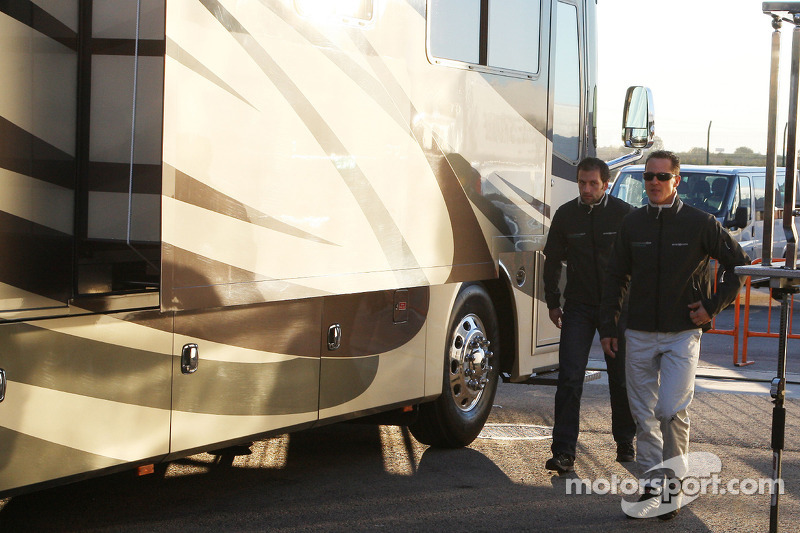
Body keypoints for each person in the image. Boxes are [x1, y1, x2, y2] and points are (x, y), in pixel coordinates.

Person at [600, 150, 749, 520]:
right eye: (648, 177)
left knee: (670, 410)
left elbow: (739, 265)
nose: (653, 183)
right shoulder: (633, 224)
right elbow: (615, 277)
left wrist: (712, 307)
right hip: (637, 332)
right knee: (643, 413)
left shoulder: (701, 223)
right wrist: (609, 327)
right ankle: (654, 483)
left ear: (676, 181)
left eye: (661, 177)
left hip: (682, 333)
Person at [542, 157, 636, 475]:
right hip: (579, 307)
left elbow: (640, 263)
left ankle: (625, 441)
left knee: (621, 378)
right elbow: (552, 260)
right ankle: (564, 452)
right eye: (582, 182)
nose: (586, 189)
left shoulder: (624, 215)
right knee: (569, 377)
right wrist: (553, 302)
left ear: (606, 184)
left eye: (593, 183)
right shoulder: (567, 215)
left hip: (616, 309)